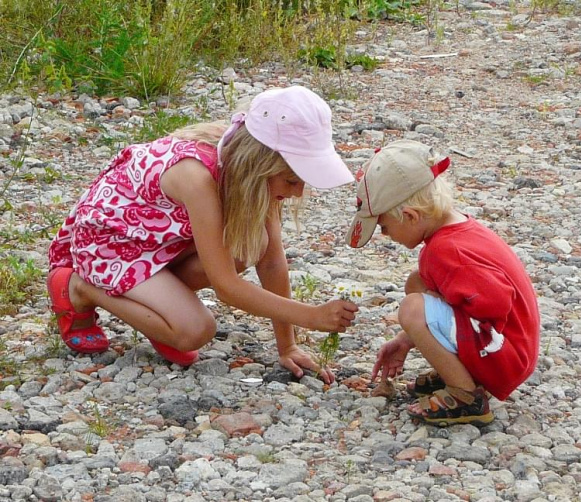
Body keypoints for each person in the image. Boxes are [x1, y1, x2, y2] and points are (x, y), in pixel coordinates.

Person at [47, 85, 359, 383]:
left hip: (157, 242)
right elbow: (226, 287)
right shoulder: (197, 177)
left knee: (250, 247)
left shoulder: (251, 178)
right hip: (110, 243)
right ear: (260, 164)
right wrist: (311, 316)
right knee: (194, 331)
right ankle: (80, 287)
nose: (298, 191)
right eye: (292, 180)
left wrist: (287, 346)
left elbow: (271, 262)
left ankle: (163, 309)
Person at [346, 140, 540, 426]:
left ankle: (466, 394)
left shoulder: (446, 251)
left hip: (504, 356)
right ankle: (465, 372)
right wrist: (406, 340)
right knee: (419, 283)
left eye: (385, 227)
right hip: (513, 351)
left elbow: (497, 302)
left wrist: (436, 325)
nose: (386, 235)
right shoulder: (458, 229)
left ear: (410, 216)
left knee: (413, 308)